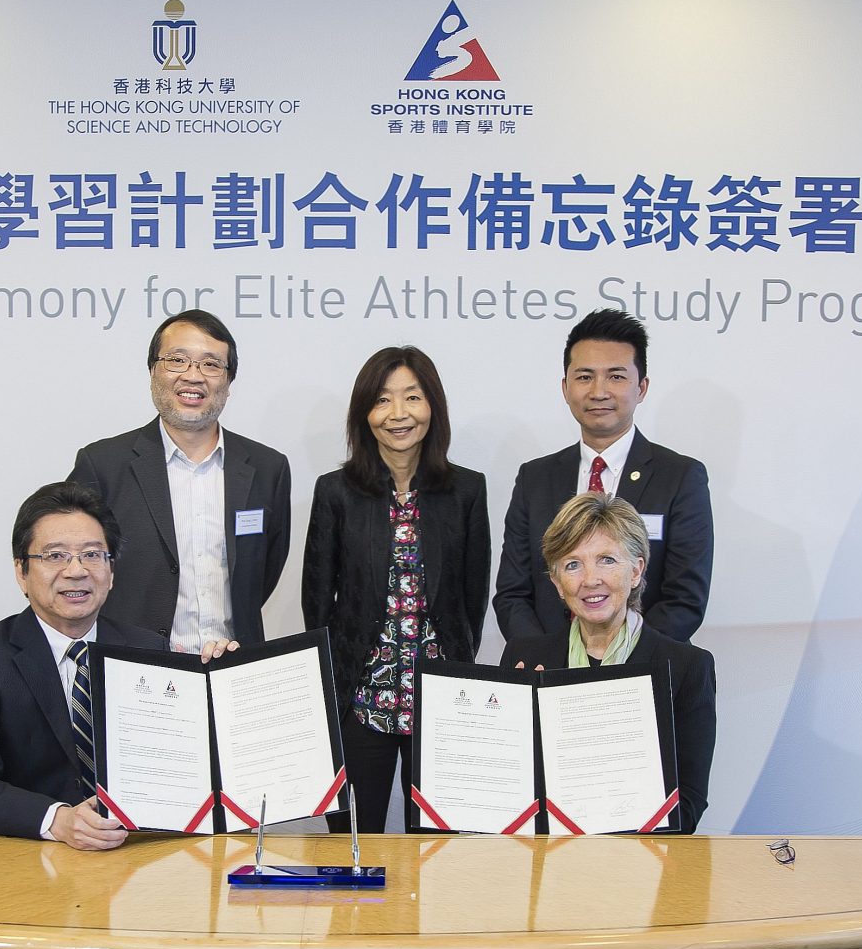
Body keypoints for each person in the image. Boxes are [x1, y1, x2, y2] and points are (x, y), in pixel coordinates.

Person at [303, 347, 489, 833]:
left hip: (440, 698)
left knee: (436, 847)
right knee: (353, 840)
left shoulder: (467, 490)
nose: (398, 413)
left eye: (412, 397)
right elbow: (316, 602)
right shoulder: (335, 491)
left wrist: (458, 669)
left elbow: (472, 597)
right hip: (362, 698)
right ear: (364, 413)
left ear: (433, 406)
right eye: (382, 400)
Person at [0, 482, 164, 850]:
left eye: (92, 555)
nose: (76, 570)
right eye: (55, 556)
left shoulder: (148, 650)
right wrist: (57, 820)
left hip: (139, 856)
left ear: (111, 571)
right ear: (22, 572)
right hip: (33, 860)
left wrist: (221, 677)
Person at [70, 309, 292, 651]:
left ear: (228, 383)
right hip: (137, 666)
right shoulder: (103, 465)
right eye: (177, 360)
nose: (193, 376)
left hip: (234, 663)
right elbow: (80, 565)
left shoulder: (268, 469)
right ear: (152, 371)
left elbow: (264, 573)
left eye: (211, 364)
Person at [492, 307, 712, 642]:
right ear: (565, 387)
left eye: (616, 377)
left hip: (642, 666)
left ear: (641, 388)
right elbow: (513, 594)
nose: (599, 391)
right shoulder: (534, 478)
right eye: (584, 377)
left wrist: (617, 659)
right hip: (548, 667)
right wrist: (544, 656)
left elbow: (684, 599)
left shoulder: (680, 478)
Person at [501, 493, 715, 833]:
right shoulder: (524, 659)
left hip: (639, 856)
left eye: (607, 560)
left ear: (636, 570)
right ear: (557, 583)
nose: (590, 580)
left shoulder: (687, 666)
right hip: (547, 855)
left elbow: (687, 807)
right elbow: (507, 791)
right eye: (573, 564)